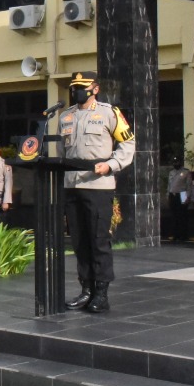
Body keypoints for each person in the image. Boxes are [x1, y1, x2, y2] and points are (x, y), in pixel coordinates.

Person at [56, 72, 136, 313]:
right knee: (80, 242)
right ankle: (86, 289)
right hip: (72, 185)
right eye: (74, 87)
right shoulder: (65, 116)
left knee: (98, 241)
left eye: (82, 87)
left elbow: (128, 143)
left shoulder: (109, 113)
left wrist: (111, 165)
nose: (77, 91)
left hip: (98, 186)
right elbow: (62, 152)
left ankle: (101, 293)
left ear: (95, 89)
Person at [166, 157, 191, 243]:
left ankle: (183, 235)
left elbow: (189, 186)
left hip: (182, 194)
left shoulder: (186, 172)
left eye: (177, 162)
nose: (175, 164)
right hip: (173, 195)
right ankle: (175, 235)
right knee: (174, 216)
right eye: (174, 162)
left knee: (182, 215)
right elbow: (169, 186)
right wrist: (168, 196)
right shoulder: (171, 172)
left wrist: (188, 197)